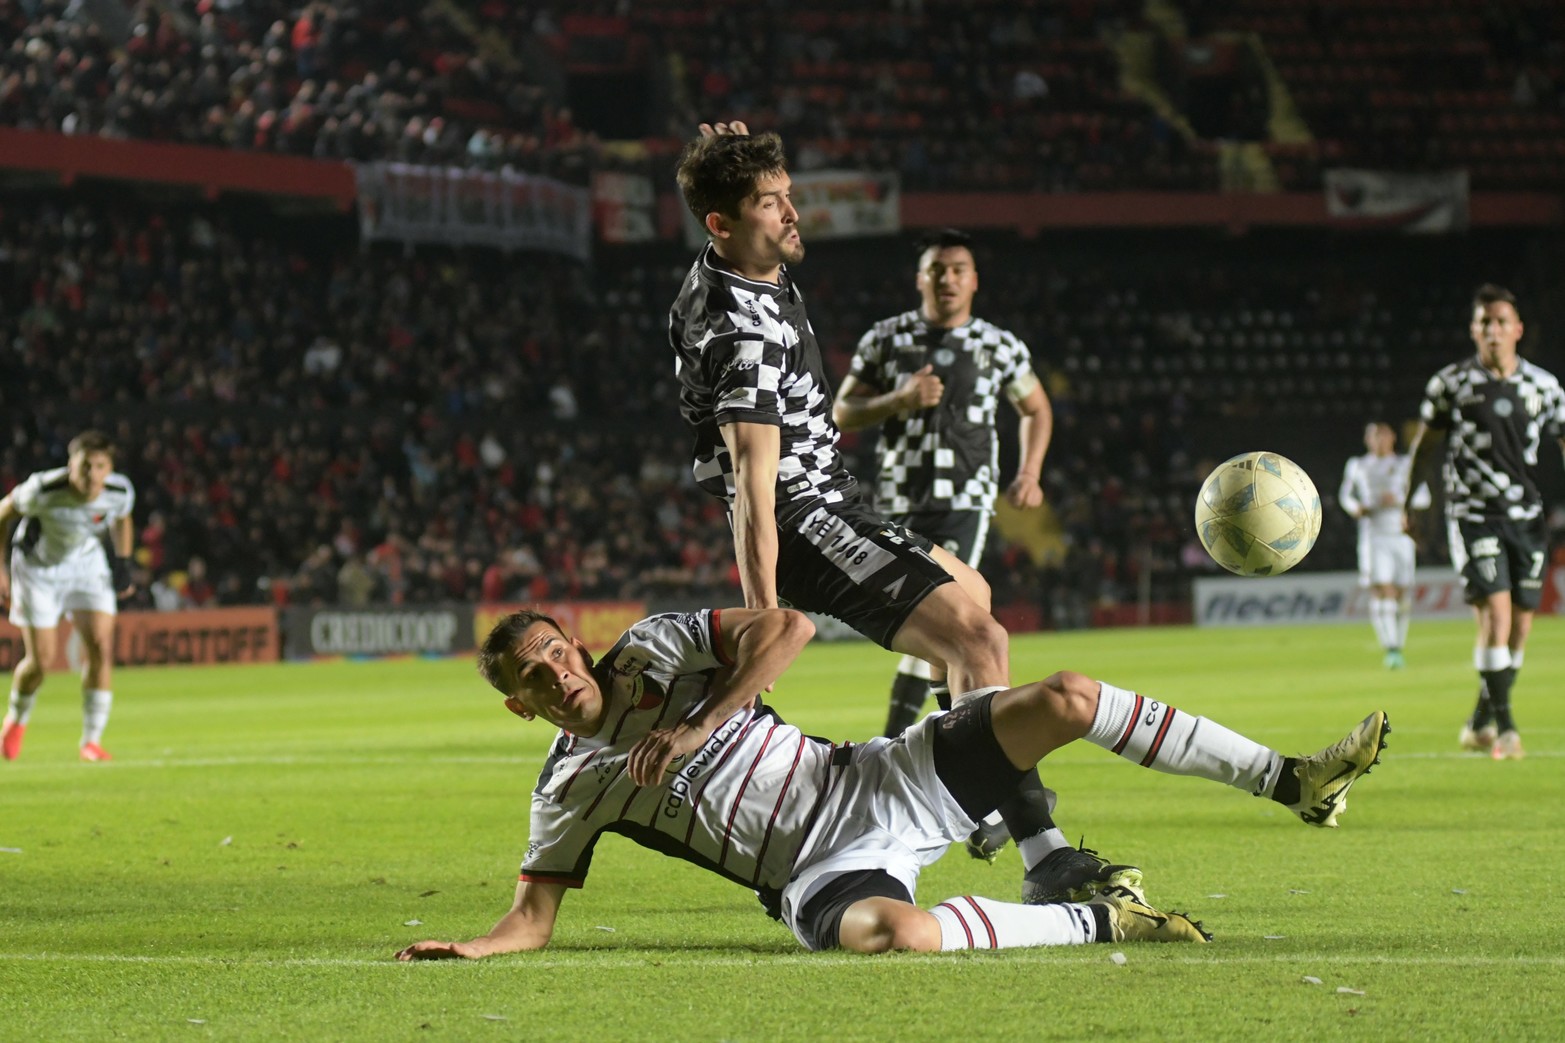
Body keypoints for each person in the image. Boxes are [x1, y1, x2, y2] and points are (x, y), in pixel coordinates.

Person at [394, 607, 1389, 960]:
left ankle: (1289, 778)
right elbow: (531, 918)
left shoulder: (660, 646)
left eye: (552, 652)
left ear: (574, 639)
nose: (553, 674)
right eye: (530, 677)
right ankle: (1106, 921)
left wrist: (700, 720)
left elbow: (783, 626)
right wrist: (472, 946)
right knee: (895, 936)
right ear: (520, 705)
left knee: (1069, 695)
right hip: (818, 870)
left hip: (875, 779)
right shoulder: (569, 783)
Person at [666, 122, 1100, 904]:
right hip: (806, 517)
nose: (791, 214)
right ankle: (1040, 851)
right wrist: (763, 619)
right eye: (770, 203)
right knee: (980, 637)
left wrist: (727, 158)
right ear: (721, 225)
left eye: (788, 196)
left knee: (974, 596)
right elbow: (754, 493)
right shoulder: (740, 331)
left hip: (835, 500)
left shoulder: (737, 270)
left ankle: (930, 781)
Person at [833, 228, 1052, 742]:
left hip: (964, 498)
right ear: (920, 279)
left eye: (957, 270)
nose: (947, 279)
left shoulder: (997, 345)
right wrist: (899, 398)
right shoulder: (886, 339)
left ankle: (907, 743)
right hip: (898, 499)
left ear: (974, 281)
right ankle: (951, 749)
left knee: (944, 610)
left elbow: (1035, 408)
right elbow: (843, 410)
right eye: (937, 270)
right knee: (931, 621)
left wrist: (1029, 472)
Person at [1405, 284, 1565, 760]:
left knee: (1519, 628)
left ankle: (1479, 722)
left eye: (1500, 322)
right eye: (1484, 323)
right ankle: (1507, 729)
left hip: (1526, 517)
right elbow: (1427, 445)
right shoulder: (1451, 384)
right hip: (1473, 516)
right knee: (1494, 619)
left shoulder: (1545, 387)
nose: (1493, 330)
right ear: (1474, 331)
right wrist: (1413, 499)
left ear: (1517, 330)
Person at [0, 430, 137, 761]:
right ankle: (16, 721)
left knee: (102, 647)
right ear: (70, 465)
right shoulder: (42, 489)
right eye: (84, 466)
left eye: (100, 466)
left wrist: (122, 563)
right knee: (41, 661)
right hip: (37, 570)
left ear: (110, 469)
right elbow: (3, 514)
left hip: (86, 567)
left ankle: (91, 741)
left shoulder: (119, 491)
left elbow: (122, 519)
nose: (92, 475)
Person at [1338, 421, 1426, 669]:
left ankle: (1398, 643)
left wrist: (1398, 499)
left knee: (1402, 593)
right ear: (1368, 440)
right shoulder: (1358, 465)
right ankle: (1391, 647)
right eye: (1374, 436)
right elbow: (1346, 495)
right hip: (1373, 535)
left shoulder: (1405, 464)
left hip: (1400, 535)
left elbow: (1423, 495)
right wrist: (1357, 508)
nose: (1379, 441)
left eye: (1383, 436)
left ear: (1392, 438)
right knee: (1381, 589)